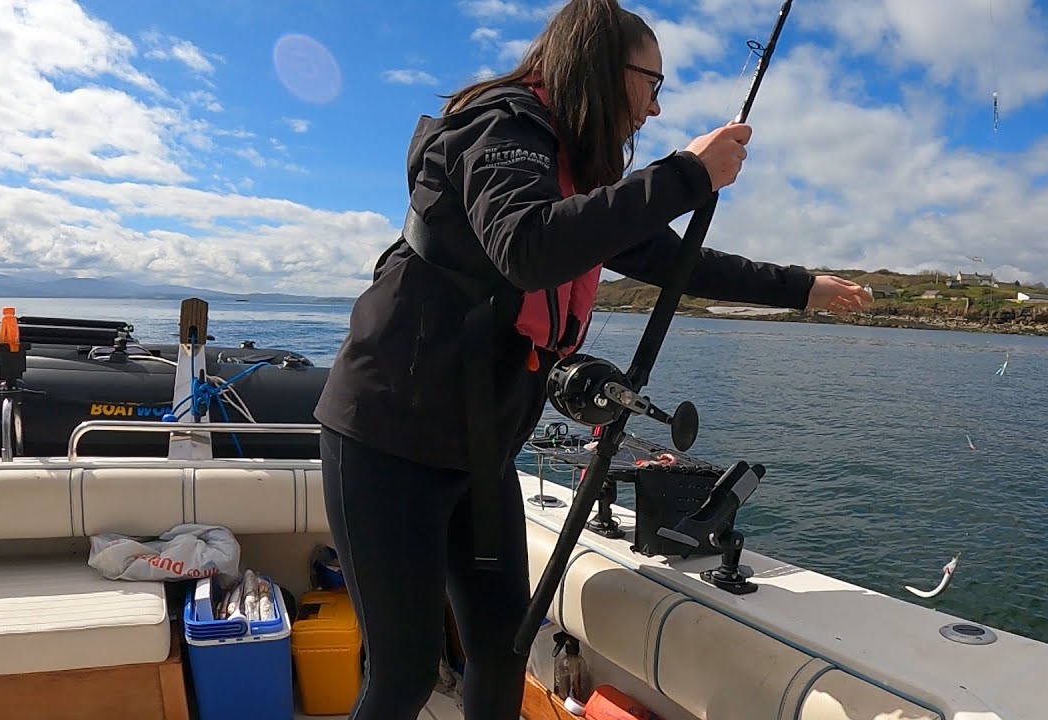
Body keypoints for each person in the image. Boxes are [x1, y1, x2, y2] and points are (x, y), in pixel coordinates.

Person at [313, 1, 870, 718]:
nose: (656, 109)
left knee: (503, 648)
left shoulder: (573, 178)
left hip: (479, 457)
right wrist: (686, 176)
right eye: (651, 84)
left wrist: (803, 288)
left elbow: (678, 262)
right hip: (387, 444)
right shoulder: (503, 127)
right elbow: (527, 245)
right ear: (607, 71)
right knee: (405, 674)